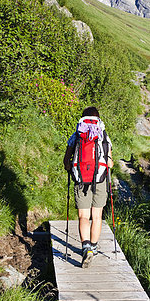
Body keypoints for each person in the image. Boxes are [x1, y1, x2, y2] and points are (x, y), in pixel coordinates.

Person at [63, 106, 113, 268]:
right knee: (96, 216)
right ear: (98, 118)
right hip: (99, 179)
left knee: (84, 216)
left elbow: (66, 162)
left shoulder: (77, 135)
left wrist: (71, 167)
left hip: (81, 179)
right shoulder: (103, 135)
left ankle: (86, 248)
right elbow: (110, 161)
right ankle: (94, 246)